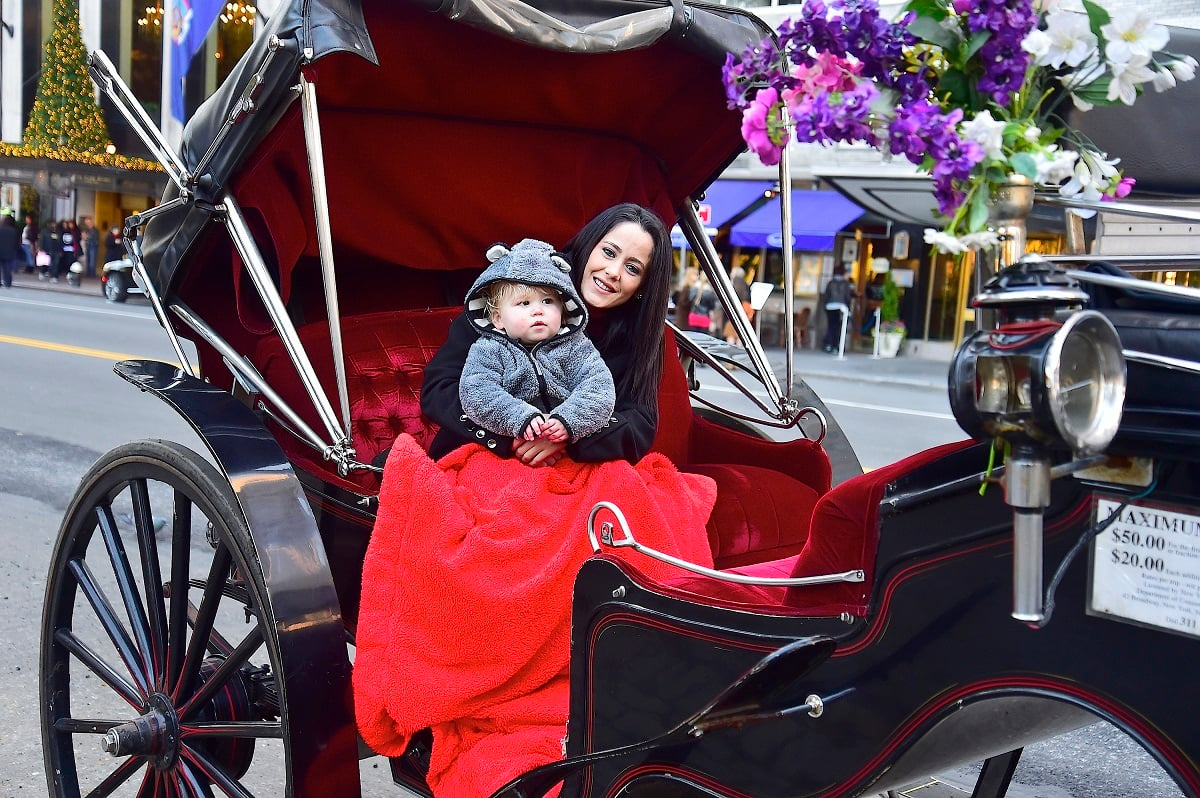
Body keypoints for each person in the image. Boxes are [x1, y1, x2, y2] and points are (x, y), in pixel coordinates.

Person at [420, 202, 673, 467]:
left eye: (632, 268)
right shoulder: (517, 285)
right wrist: (511, 433)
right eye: (609, 252)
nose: (614, 271)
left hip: (570, 465)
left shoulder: (637, 337)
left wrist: (568, 433)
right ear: (589, 247)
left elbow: (639, 424)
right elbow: (440, 387)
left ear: (643, 285)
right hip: (485, 454)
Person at [459, 237, 616, 446]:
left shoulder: (577, 347)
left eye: (548, 301)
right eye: (524, 303)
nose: (538, 310)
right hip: (511, 443)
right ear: (498, 319)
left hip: (567, 445)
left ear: (564, 310)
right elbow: (477, 393)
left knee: (615, 476)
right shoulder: (489, 350)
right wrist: (519, 418)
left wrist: (568, 420)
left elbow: (598, 388)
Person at [821, 264, 854, 353]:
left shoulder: (831, 283)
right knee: (838, 327)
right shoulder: (845, 283)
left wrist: (826, 305)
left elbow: (826, 295)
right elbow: (847, 297)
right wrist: (848, 307)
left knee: (830, 326)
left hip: (830, 306)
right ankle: (835, 346)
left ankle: (828, 344)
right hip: (841, 307)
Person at [0, 214, 20, 288]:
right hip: (9, 251)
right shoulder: (13, 231)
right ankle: (8, 282)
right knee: (7, 267)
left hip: (1, 250)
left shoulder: (1, 229)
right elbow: (16, 242)